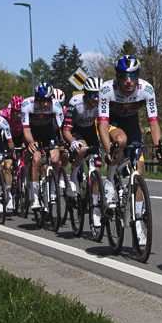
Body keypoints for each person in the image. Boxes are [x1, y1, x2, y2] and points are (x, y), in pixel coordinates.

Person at [98, 55, 162, 248]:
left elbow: (154, 124)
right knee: (121, 140)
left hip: (133, 127)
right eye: (123, 76)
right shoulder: (107, 89)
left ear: (138, 76)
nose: (128, 80)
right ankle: (109, 182)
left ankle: (137, 223)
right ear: (117, 77)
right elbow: (102, 125)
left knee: (139, 172)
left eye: (133, 76)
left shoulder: (146, 89)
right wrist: (108, 150)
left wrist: (159, 146)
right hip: (112, 125)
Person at [62, 77, 103, 225]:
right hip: (75, 130)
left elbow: (106, 125)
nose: (96, 98)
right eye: (92, 95)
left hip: (90, 130)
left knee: (97, 169)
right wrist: (72, 142)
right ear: (85, 93)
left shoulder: (102, 103)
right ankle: (73, 178)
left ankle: (94, 208)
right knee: (82, 148)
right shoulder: (76, 103)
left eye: (98, 94)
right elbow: (66, 130)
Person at [21, 83, 65, 212]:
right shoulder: (27, 104)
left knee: (55, 159)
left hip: (47, 132)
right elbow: (26, 130)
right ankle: (34, 196)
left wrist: (65, 142)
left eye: (47, 101)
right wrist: (31, 143)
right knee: (36, 159)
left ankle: (53, 190)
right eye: (41, 101)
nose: (45, 104)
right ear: (36, 98)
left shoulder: (56, 105)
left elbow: (62, 129)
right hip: (32, 133)